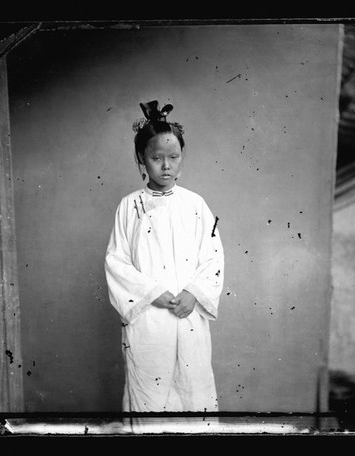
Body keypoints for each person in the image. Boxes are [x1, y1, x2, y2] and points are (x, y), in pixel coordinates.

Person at [105, 100, 225, 414]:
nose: (166, 166)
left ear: (182, 159)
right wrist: (152, 293)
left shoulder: (195, 205)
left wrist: (194, 294)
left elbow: (213, 258)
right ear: (141, 160)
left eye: (173, 157)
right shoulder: (130, 207)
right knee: (149, 397)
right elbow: (117, 263)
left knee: (192, 392)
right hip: (149, 318)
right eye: (157, 158)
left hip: (188, 315)